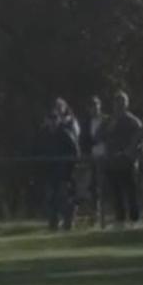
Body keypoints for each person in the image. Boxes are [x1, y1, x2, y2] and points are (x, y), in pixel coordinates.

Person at [104, 91, 143, 229]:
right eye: (117, 102)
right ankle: (120, 221)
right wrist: (109, 127)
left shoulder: (133, 121)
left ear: (126, 104)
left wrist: (130, 155)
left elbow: (141, 141)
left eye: (122, 102)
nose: (119, 105)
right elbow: (98, 136)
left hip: (128, 163)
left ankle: (134, 221)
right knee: (116, 194)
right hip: (112, 163)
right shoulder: (110, 120)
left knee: (131, 193)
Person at [41, 100, 81, 231]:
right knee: (51, 199)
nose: (52, 121)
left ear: (59, 119)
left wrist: (70, 168)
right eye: (50, 118)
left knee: (64, 198)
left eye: (55, 118)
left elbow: (75, 151)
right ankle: (53, 223)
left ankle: (68, 222)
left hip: (64, 172)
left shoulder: (65, 133)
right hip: (50, 172)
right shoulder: (45, 134)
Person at [80, 96, 108, 227]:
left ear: (100, 106)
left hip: (106, 157)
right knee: (93, 187)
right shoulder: (86, 123)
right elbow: (83, 140)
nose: (94, 108)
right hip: (93, 157)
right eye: (92, 106)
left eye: (96, 105)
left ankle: (108, 215)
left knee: (107, 186)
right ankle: (95, 215)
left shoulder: (106, 120)